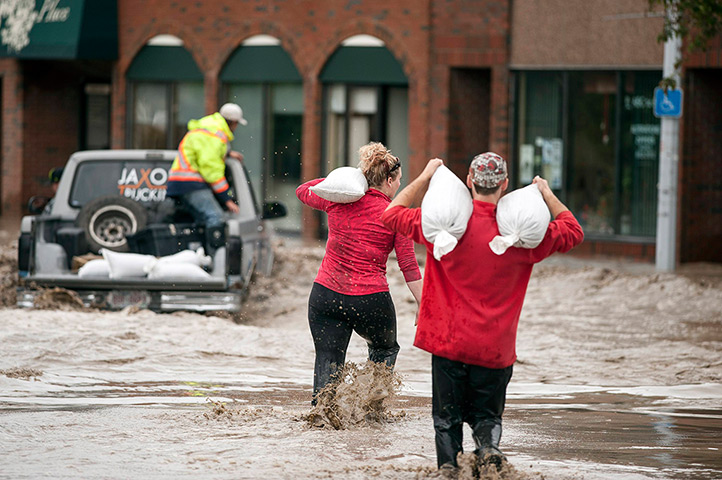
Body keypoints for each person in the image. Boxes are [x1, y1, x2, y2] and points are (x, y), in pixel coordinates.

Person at [380, 153, 584, 475]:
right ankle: (488, 449)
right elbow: (573, 231)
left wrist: (425, 176)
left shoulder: (441, 226)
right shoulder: (522, 235)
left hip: (448, 344)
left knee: (446, 421)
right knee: (487, 418)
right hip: (494, 349)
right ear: (504, 186)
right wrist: (544, 192)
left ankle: (449, 469)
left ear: (469, 182)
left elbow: (391, 214)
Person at [296, 142, 423, 403]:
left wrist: (349, 181)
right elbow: (408, 264)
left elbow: (303, 190)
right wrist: (423, 301)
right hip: (370, 300)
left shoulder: (337, 201)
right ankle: (372, 410)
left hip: (325, 297)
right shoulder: (395, 214)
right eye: (398, 180)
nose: (399, 185)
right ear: (388, 180)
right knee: (385, 349)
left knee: (328, 360)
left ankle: (322, 415)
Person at [166, 103, 247, 253]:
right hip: (191, 183)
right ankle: (215, 261)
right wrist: (227, 199)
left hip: (179, 183)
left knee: (202, 222)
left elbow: (203, 153)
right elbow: (211, 169)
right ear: (234, 123)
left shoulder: (206, 129)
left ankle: (199, 255)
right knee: (216, 218)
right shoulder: (216, 135)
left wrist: (228, 154)